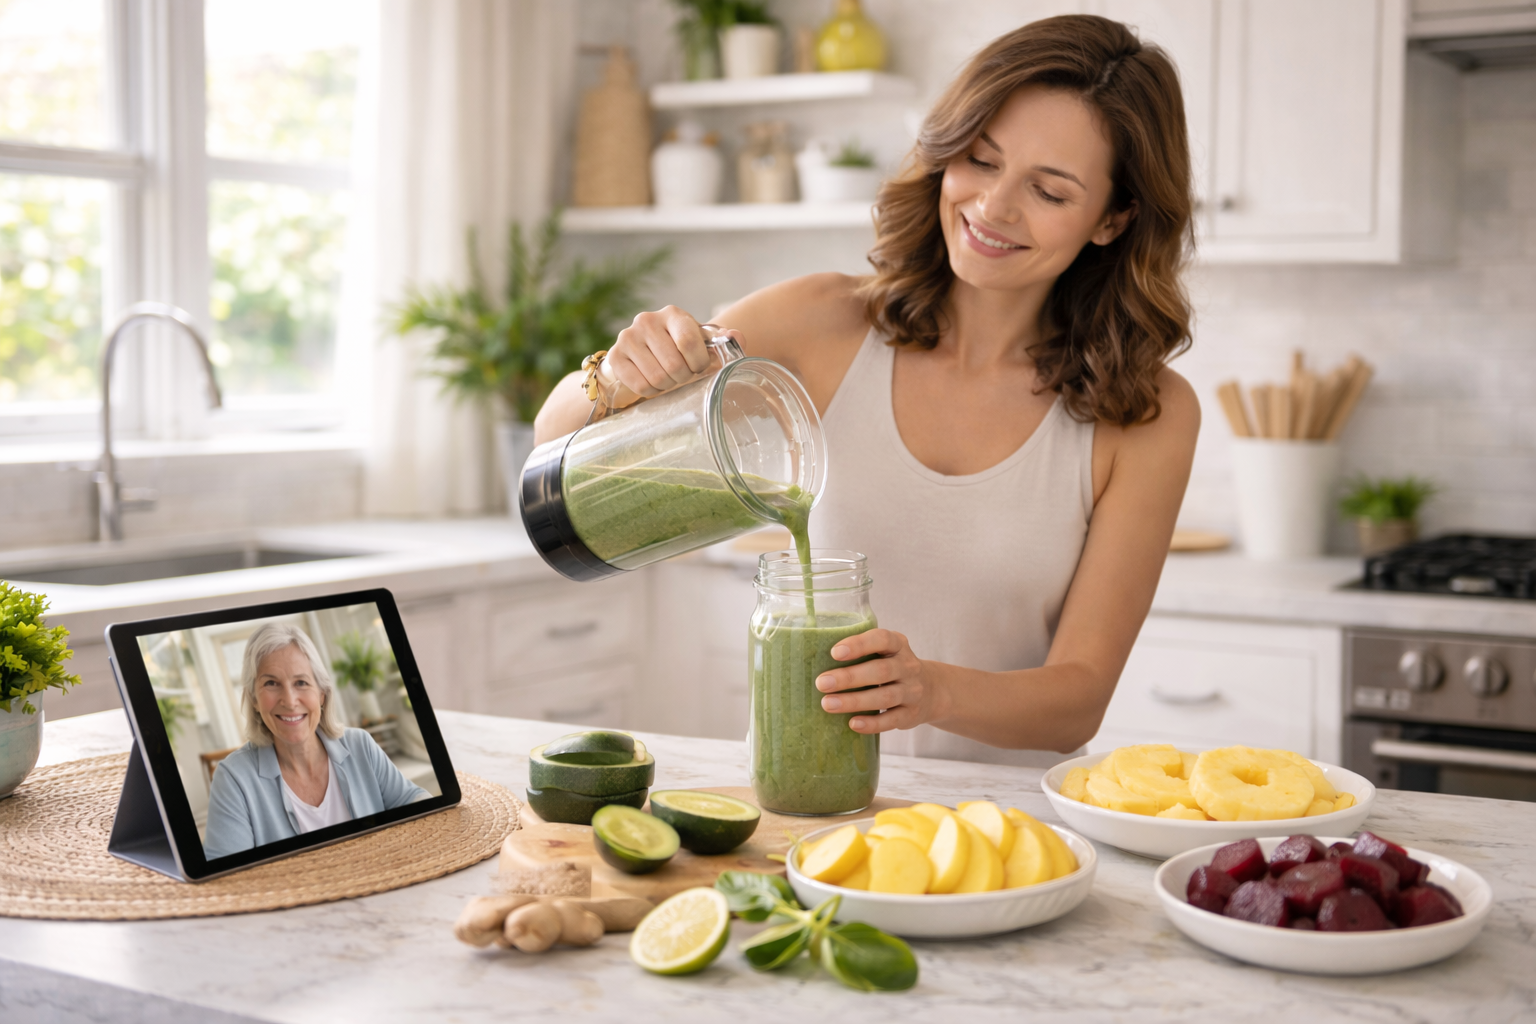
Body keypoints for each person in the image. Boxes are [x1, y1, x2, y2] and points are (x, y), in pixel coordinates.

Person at [534, 16, 1200, 767]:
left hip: (998, 826)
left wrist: (932, 691)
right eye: (980, 159)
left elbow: (1077, 701)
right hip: (802, 807)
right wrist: (620, 374)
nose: (993, 207)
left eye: (1047, 191)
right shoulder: (823, 322)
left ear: (1113, 219)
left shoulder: (1146, 414)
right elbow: (555, 441)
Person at [203, 622, 429, 859]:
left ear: (321, 693)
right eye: (271, 683)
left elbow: (412, 800)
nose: (290, 701)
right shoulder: (233, 779)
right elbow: (225, 874)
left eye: (301, 682)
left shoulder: (360, 745)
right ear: (254, 699)